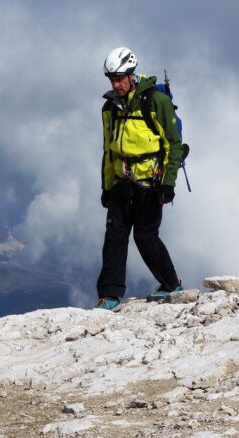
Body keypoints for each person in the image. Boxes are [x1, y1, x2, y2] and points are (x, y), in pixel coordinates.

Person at [95, 47, 183, 311]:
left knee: (145, 236)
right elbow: (109, 150)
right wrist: (106, 187)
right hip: (120, 182)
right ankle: (109, 295)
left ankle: (171, 284)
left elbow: (173, 145)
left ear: (132, 75)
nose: (115, 84)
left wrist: (168, 183)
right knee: (114, 236)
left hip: (150, 183)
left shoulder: (156, 102)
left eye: (119, 78)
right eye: (112, 79)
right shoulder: (109, 108)